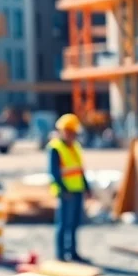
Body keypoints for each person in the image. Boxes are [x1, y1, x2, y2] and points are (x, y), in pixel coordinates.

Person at [47, 113, 93, 263]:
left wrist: (87, 188)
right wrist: (63, 189)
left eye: (73, 132)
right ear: (62, 131)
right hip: (65, 192)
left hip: (77, 189)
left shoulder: (75, 146)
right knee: (63, 224)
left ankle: (72, 252)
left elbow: (79, 170)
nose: (71, 135)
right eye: (68, 132)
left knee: (74, 223)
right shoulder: (55, 148)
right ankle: (60, 254)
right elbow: (54, 173)